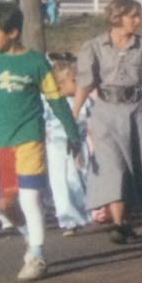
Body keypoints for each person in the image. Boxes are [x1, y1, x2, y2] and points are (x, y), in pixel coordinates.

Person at [0, 3, 81, 280]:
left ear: (13, 32)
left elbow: (56, 101)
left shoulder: (36, 62)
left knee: (30, 198)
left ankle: (37, 257)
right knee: (4, 205)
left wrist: (72, 134)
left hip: (30, 139)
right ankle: (30, 237)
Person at [72, 0, 142, 244]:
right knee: (113, 167)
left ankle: (126, 219)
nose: (137, 21)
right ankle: (118, 223)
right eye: (132, 16)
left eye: (138, 16)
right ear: (117, 17)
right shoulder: (94, 47)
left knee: (134, 166)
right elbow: (85, 83)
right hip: (106, 111)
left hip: (137, 110)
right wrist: (73, 113)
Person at [45, 56, 91, 234]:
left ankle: (87, 210)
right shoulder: (49, 104)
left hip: (80, 144)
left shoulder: (84, 101)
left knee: (80, 178)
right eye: (74, 80)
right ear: (61, 85)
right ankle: (67, 219)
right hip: (57, 146)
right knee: (61, 183)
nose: (78, 83)